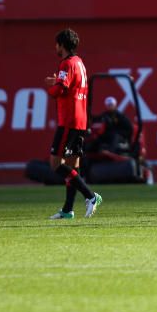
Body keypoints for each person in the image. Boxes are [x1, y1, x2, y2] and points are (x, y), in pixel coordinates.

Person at [46, 28, 102, 219]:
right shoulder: (79, 63)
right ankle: (68, 209)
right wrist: (58, 83)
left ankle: (90, 195)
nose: (55, 47)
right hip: (80, 120)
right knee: (72, 165)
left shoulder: (66, 63)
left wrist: (51, 87)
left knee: (55, 163)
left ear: (62, 45)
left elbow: (60, 90)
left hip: (68, 120)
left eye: (57, 44)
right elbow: (70, 86)